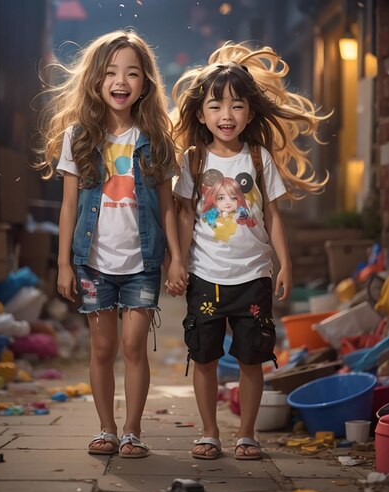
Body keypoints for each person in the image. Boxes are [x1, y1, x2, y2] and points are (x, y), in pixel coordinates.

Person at [168, 41, 330, 461]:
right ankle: (208, 432)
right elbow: (185, 216)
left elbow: (273, 216)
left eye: (237, 106)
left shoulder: (259, 159)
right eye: (216, 106)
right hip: (205, 276)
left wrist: (285, 265)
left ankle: (246, 434)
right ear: (201, 113)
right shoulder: (192, 160)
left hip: (254, 276)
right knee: (203, 357)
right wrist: (178, 261)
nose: (227, 116)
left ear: (251, 113)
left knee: (251, 358)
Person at [36, 29, 187, 458]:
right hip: (92, 264)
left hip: (143, 261)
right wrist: (64, 263)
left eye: (132, 73)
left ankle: (133, 431)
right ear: (96, 79)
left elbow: (167, 206)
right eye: (111, 72)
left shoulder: (155, 139)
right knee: (102, 348)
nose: (121, 81)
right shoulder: (78, 137)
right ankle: (106, 427)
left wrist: (177, 258)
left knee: (134, 346)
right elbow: (68, 207)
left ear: (145, 83)